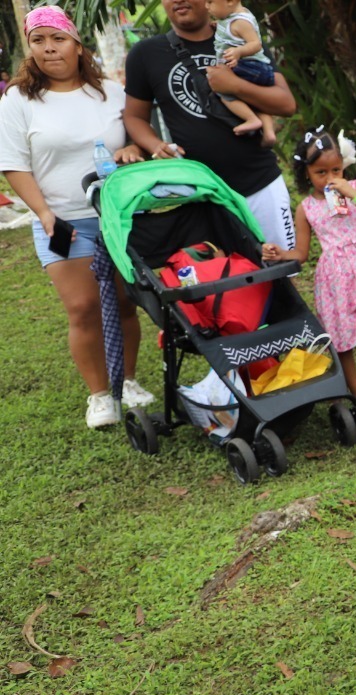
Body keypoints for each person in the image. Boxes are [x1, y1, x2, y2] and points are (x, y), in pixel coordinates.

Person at [0, 6, 153, 429]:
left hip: (117, 217)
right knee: (83, 307)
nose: (49, 49)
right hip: (62, 221)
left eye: (58, 39)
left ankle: (130, 381)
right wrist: (44, 214)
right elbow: (13, 164)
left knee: (125, 301)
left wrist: (132, 152)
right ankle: (101, 396)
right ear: (29, 48)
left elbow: (133, 139)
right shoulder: (18, 99)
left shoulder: (109, 90)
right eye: (39, 41)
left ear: (76, 43)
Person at [262, 128, 356, 429]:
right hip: (336, 282)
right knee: (342, 344)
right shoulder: (306, 208)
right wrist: (280, 253)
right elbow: (301, 253)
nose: (329, 178)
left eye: (336, 170)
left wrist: (352, 193)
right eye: (320, 172)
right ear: (306, 172)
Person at [123, 0, 298, 251]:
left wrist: (234, 86)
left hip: (261, 184)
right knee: (224, 280)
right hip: (200, 193)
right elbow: (135, 117)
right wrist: (155, 145)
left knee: (281, 270)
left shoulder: (239, 34)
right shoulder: (146, 54)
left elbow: (286, 104)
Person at [207, 0, 276, 146]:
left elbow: (256, 44)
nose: (207, 6)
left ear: (230, 1)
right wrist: (218, 25)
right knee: (256, 100)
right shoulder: (232, 17)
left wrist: (238, 52)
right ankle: (269, 132)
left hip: (250, 66)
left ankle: (251, 119)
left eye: (210, 2)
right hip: (256, 69)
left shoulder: (240, 22)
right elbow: (232, 34)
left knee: (221, 87)